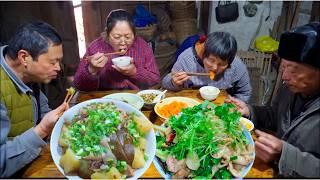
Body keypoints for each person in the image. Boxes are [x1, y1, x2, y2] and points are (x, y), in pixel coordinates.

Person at [228, 22, 320, 177]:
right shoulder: (291, 88)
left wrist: (284, 155)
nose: (284, 77)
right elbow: (274, 115)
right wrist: (249, 111)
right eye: (283, 68)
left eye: (294, 69)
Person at [0, 21, 68, 177]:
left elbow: (42, 109)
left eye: (59, 61)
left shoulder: (28, 74)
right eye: (53, 62)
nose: (58, 67)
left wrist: (56, 120)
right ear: (24, 57)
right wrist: (43, 129)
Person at [73, 9, 160, 91]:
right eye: (117, 37)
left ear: (134, 34)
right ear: (107, 34)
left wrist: (134, 72)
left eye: (128, 37)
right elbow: (78, 85)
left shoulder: (142, 46)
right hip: (104, 99)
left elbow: (155, 79)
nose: (123, 42)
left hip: (135, 97)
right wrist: (91, 69)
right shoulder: (96, 47)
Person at [162, 32, 252, 103]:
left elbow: (245, 93)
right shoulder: (187, 59)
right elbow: (165, 83)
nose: (215, 68)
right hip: (190, 106)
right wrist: (174, 82)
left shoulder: (236, 65)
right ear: (203, 54)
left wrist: (235, 105)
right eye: (211, 61)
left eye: (221, 64)